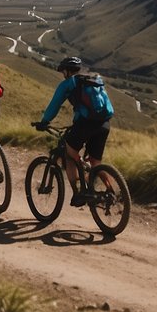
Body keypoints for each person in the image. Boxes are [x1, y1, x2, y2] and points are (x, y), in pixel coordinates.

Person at [34, 56, 114, 205]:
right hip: (104, 124)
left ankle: (78, 193)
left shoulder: (68, 84)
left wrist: (44, 122)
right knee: (96, 162)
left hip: (85, 124)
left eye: (63, 71)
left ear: (66, 71)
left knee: (69, 154)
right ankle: (110, 192)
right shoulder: (94, 79)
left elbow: (54, 105)